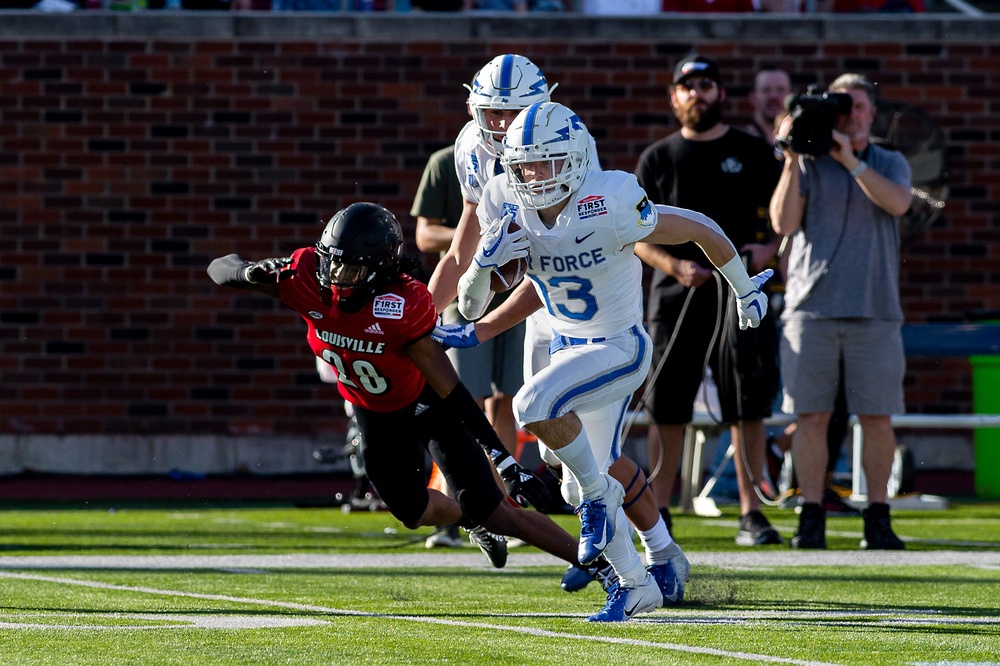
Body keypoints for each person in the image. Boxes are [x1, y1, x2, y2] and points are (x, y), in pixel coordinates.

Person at [436, 101, 771, 621]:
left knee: (532, 406)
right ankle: (637, 582)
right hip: (569, 347)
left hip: (619, 348)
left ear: (572, 158)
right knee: (568, 475)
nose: (533, 176)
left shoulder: (607, 199)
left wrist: (745, 290)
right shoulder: (504, 198)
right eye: (523, 164)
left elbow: (699, 227)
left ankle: (601, 501)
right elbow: (473, 305)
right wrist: (482, 263)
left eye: (545, 163)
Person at [207, 202, 608, 590]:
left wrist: (502, 459)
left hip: (426, 403)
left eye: (350, 267)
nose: (336, 275)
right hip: (374, 413)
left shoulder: (400, 305)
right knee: (412, 514)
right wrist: (248, 271)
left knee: (499, 512)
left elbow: (452, 390)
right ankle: (471, 522)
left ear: (379, 270)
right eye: (333, 261)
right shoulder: (307, 278)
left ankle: (601, 566)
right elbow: (218, 268)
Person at [429, 53, 684, 602]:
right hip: (542, 303)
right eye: (489, 113)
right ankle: (623, 561)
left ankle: (657, 553)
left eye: (511, 113)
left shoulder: (565, 148)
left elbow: (563, 260)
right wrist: (426, 319)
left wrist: (484, 322)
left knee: (585, 445)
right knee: (558, 451)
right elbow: (466, 251)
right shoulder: (472, 151)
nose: (498, 127)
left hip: (582, 307)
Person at [633, 54, 783, 547]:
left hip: (740, 294)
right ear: (674, 97)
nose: (698, 93)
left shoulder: (753, 151)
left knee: (748, 404)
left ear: (722, 93)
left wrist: (768, 250)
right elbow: (633, 235)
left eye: (707, 85)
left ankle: (752, 511)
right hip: (677, 296)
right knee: (667, 406)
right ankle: (659, 511)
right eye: (687, 86)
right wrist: (675, 266)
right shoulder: (658, 158)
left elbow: (783, 219)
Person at [770, 73, 912, 550]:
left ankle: (877, 515)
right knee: (811, 416)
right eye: (840, 106)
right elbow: (782, 223)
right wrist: (791, 156)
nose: (849, 115)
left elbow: (897, 204)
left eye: (857, 107)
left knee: (877, 417)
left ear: (872, 112)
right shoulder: (808, 163)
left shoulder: (889, 161)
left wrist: (851, 160)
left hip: (875, 309)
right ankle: (811, 515)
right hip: (811, 310)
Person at [745, 65, 792, 148]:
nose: (773, 96)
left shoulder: (801, 147)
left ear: (791, 96)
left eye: (780, 89)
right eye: (766, 90)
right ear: (752, 97)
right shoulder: (740, 144)